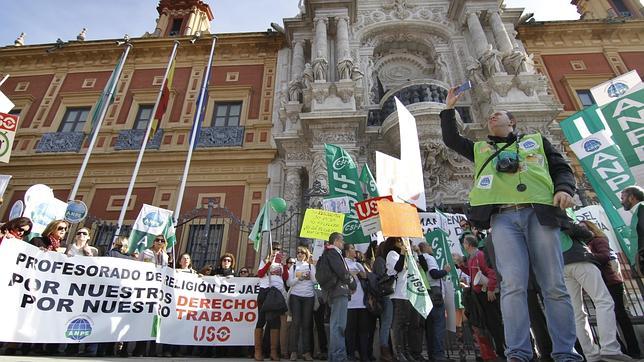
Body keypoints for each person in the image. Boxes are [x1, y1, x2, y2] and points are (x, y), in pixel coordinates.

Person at [441, 88, 581, 362]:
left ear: (512, 122)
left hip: (539, 214)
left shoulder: (536, 142)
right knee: (513, 285)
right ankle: (517, 353)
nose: (492, 116)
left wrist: (564, 189)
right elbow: (452, 139)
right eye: (490, 116)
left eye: (498, 114)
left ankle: (566, 352)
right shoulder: (482, 149)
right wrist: (449, 109)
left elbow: (562, 168)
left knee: (553, 285)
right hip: (503, 218)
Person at [561, 222, 632, 362]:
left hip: (560, 264)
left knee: (577, 312)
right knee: (603, 301)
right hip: (579, 257)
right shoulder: (555, 209)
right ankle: (609, 348)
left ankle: (591, 355)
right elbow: (582, 232)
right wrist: (585, 232)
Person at [582, 220, 640, 359]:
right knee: (608, 318)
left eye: (583, 228)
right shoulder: (586, 243)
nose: (581, 231)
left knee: (620, 315)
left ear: (591, 229)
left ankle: (634, 350)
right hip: (600, 283)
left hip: (611, 282)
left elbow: (605, 256)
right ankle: (621, 350)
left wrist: (586, 256)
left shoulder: (598, 240)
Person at [462, 234, 505, 360]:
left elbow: (490, 272)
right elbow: (473, 274)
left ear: (469, 244)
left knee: (494, 323)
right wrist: (461, 265)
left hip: (486, 294)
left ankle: (501, 350)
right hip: (479, 295)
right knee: (486, 323)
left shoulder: (479, 255)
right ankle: (494, 351)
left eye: (464, 243)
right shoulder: (471, 257)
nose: (463, 245)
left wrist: (491, 288)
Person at [385, 237, 426, 362]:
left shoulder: (409, 255)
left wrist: (415, 253)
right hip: (398, 294)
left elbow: (422, 267)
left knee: (407, 324)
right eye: (400, 241)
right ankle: (399, 352)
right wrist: (402, 253)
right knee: (399, 324)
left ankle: (406, 351)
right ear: (394, 243)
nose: (403, 244)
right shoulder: (392, 254)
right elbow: (398, 268)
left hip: (409, 294)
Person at [319, 232, 356, 362]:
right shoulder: (333, 254)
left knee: (336, 325)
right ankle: (339, 357)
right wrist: (352, 283)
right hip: (338, 292)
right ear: (335, 241)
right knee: (339, 326)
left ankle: (333, 356)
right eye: (342, 240)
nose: (343, 243)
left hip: (334, 292)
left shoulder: (329, 253)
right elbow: (342, 272)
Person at [255, 242, 289, 361]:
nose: (276, 251)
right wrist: (269, 262)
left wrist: (284, 265)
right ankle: (258, 351)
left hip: (276, 293)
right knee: (261, 320)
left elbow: (285, 278)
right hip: (265, 292)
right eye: (274, 249)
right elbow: (260, 274)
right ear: (270, 250)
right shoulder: (264, 261)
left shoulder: (280, 264)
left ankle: (273, 352)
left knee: (275, 322)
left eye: (278, 249)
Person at [418, 242, 450, 361]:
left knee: (430, 327)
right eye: (429, 246)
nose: (431, 248)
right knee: (438, 325)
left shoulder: (419, 258)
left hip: (426, 293)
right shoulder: (429, 258)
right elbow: (434, 274)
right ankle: (439, 355)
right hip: (435, 293)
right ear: (425, 248)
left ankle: (432, 354)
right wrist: (445, 271)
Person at [287, 246, 316, 361]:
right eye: (298, 252)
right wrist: (299, 278)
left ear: (306, 254)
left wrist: (309, 277)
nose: (299, 254)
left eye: (302, 253)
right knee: (295, 323)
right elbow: (289, 283)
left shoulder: (310, 266)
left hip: (308, 296)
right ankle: (293, 351)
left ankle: (306, 352)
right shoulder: (293, 267)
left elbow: (315, 281)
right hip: (295, 296)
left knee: (306, 324)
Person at [343, 244, 370, 362]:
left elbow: (365, 276)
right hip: (349, 303)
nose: (355, 250)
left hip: (362, 302)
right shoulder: (342, 262)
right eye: (353, 248)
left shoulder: (358, 264)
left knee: (363, 331)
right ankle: (350, 354)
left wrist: (359, 270)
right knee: (350, 330)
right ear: (347, 251)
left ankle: (364, 354)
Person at [373, 241, 395, 362]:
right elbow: (382, 277)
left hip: (387, 295)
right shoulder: (380, 260)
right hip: (385, 296)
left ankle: (388, 350)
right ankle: (384, 351)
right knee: (386, 324)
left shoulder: (381, 260)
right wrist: (392, 274)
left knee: (387, 324)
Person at [620, 185, 644, 275]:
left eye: (623, 198)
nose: (621, 202)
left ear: (631, 197)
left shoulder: (642, 208)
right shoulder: (638, 211)